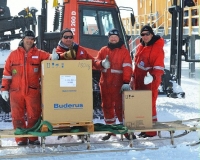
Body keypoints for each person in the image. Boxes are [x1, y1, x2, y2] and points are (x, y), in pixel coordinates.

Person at [1, 30, 52, 146]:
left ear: (34, 41)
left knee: (34, 115)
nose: (29, 41)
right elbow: (7, 73)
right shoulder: (13, 55)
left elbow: (50, 58)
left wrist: (54, 56)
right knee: (17, 116)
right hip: (16, 91)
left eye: (32, 39)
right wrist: (4, 89)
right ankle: (21, 139)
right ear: (23, 39)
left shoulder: (39, 53)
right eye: (27, 38)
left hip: (32, 91)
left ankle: (33, 138)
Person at [95, 28, 134, 140]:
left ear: (118, 38)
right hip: (105, 84)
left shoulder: (124, 51)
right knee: (106, 107)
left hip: (118, 85)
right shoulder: (103, 50)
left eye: (115, 37)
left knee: (120, 108)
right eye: (111, 37)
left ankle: (125, 131)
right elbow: (95, 63)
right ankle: (110, 130)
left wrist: (126, 81)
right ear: (109, 38)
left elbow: (127, 67)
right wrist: (101, 63)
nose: (113, 39)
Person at [130, 25, 164, 138]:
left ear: (152, 34)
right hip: (139, 81)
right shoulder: (140, 47)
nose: (145, 36)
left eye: (147, 34)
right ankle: (144, 129)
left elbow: (159, 67)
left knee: (149, 105)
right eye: (143, 34)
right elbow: (137, 65)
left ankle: (151, 131)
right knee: (141, 106)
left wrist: (153, 77)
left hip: (150, 82)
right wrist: (133, 77)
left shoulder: (157, 48)